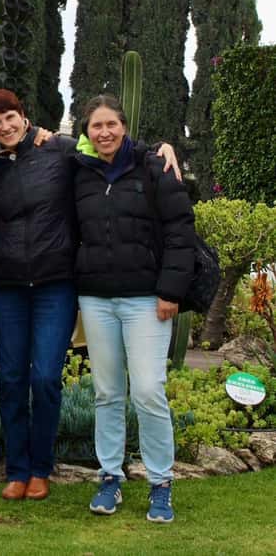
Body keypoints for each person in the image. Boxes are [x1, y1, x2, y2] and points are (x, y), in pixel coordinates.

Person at [73, 94, 195, 524]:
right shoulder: (81, 172)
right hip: (96, 299)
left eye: (111, 124)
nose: (104, 132)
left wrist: (170, 291)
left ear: (124, 126)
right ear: (86, 131)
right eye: (95, 126)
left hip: (147, 300)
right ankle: (110, 476)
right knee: (107, 393)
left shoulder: (154, 166)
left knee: (147, 391)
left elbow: (181, 231)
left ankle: (161, 482)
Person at [0, 89, 78, 502]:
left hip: (56, 283)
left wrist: (159, 149)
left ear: (23, 115)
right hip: (10, 287)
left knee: (46, 377)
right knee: (13, 378)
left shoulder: (58, 149)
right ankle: (17, 470)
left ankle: (41, 468)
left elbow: (105, 148)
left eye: (10, 117)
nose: (5, 127)